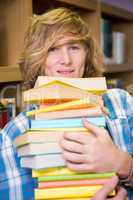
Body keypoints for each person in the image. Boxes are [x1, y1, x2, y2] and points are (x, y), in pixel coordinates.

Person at [0, 7, 132, 200]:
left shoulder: (122, 104)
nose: (66, 60)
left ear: (86, 55)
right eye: (53, 49)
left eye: (74, 47)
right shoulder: (11, 137)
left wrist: (124, 164)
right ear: (38, 58)